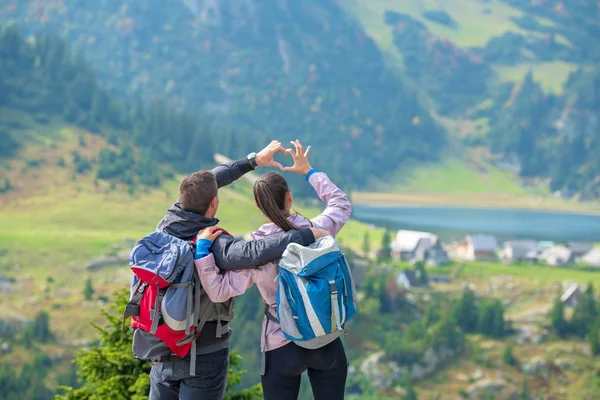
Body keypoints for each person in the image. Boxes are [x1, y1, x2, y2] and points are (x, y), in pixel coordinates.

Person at [136, 140, 329, 400]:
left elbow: (210, 180)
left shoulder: (167, 223)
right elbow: (253, 253)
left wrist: (253, 160)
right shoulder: (215, 243)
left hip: (162, 349)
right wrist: (303, 235)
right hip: (203, 355)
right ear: (214, 203)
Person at [194, 140, 351, 400]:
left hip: (281, 344)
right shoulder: (317, 230)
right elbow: (340, 204)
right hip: (326, 338)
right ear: (289, 198)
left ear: (260, 207)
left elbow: (219, 291)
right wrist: (308, 171)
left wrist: (202, 252)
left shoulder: (255, 253)